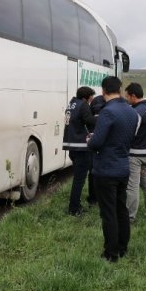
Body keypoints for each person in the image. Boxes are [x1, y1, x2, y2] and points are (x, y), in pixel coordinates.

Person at [87, 76, 139, 262]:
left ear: (103, 91)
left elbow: (98, 141)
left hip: (106, 169)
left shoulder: (108, 112)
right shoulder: (132, 112)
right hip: (123, 167)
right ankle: (123, 247)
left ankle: (110, 253)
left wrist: (90, 141)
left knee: (108, 212)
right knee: (121, 209)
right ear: (120, 89)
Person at [124, 82, 146, 223]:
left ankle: (129, 217)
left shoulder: (136, 112)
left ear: (133, 96)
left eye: (127, 97)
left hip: (135, 155)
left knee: (132, 186)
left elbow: (131, 133)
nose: (126, 99)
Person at [62, 86, 96, 216]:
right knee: (79, 180)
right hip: (81, 147)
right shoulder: (83, 105)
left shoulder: (71, 105)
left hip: (71, 146)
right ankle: (74, 209)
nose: (91, 101)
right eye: (90, 98)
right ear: (85, 97)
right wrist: (100, 117)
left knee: (77, 178)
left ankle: (76, 205)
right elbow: (89, 121)